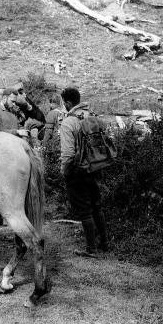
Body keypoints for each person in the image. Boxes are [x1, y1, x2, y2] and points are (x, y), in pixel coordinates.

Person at [59, 87, 109, 257]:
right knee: (96, 206)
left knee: (84, 210)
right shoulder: (91, 115)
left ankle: (91, 249)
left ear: (67, 103)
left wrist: (65, 172)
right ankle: (104, 243)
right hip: (96, 167)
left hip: (77, 171)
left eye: (63, 103)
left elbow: (67, 154)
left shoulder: (68, 122)